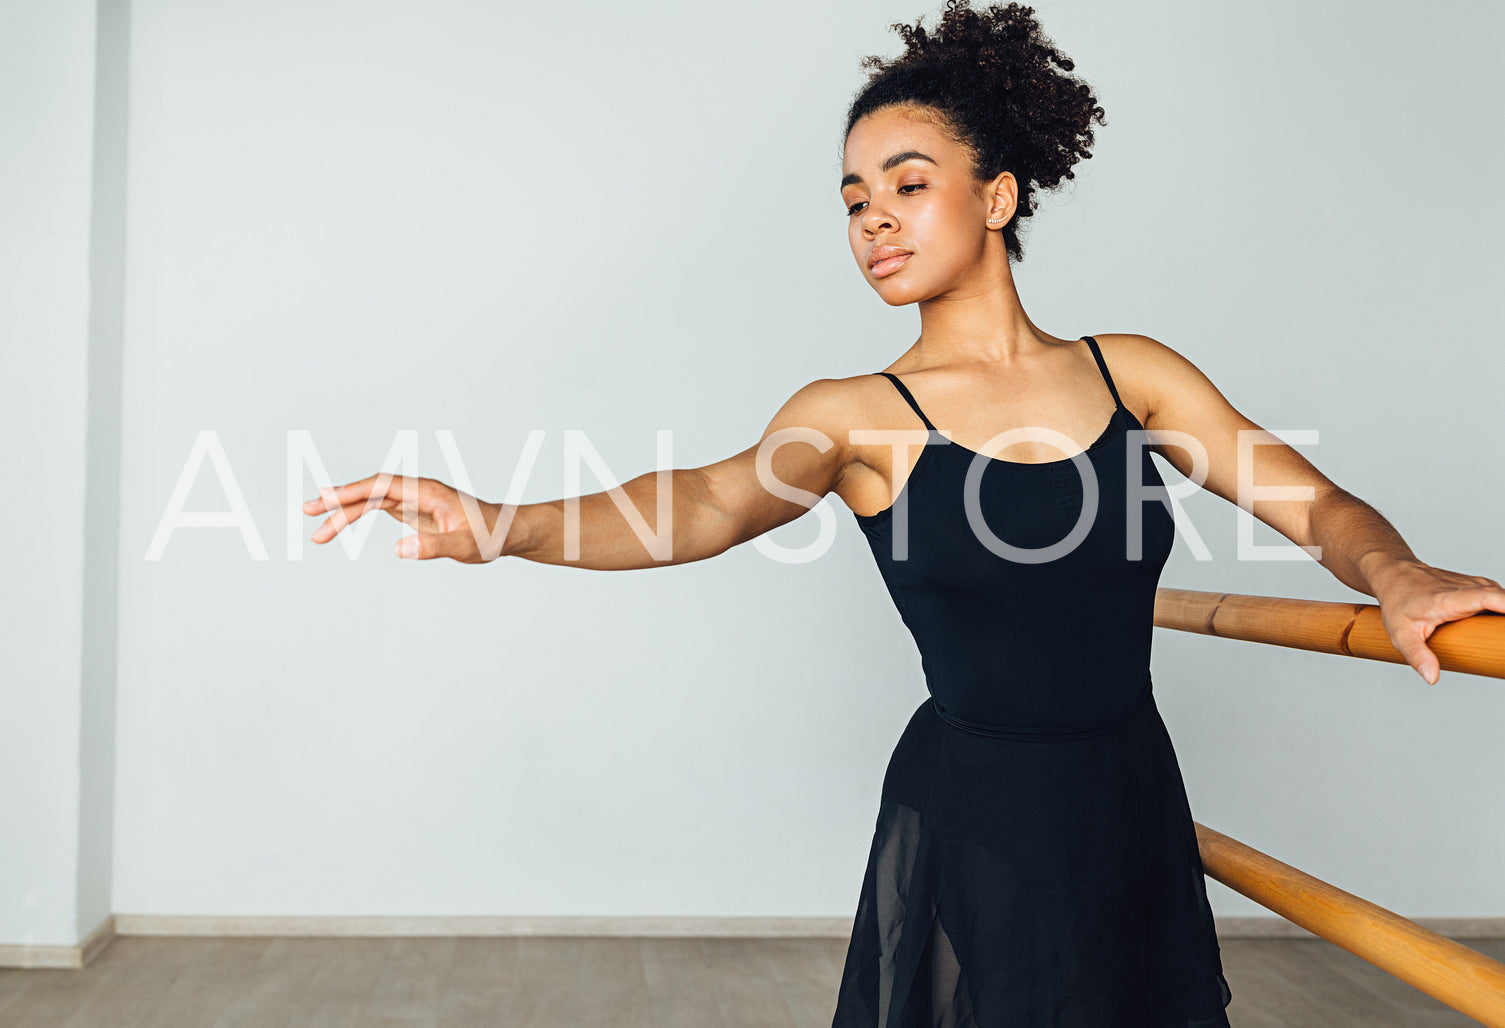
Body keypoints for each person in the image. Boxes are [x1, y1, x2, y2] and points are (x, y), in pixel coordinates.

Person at [301, 2, 1505, 1024]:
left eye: (906, 185)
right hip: (974, 812)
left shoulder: (1129, 372)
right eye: (851, 198)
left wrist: (1392, 574)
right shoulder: (856, 415)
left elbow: (1310, 501)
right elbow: (707, 499)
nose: (870, 217)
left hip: (1129, 791)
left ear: (997, 196)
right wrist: (503, 520)